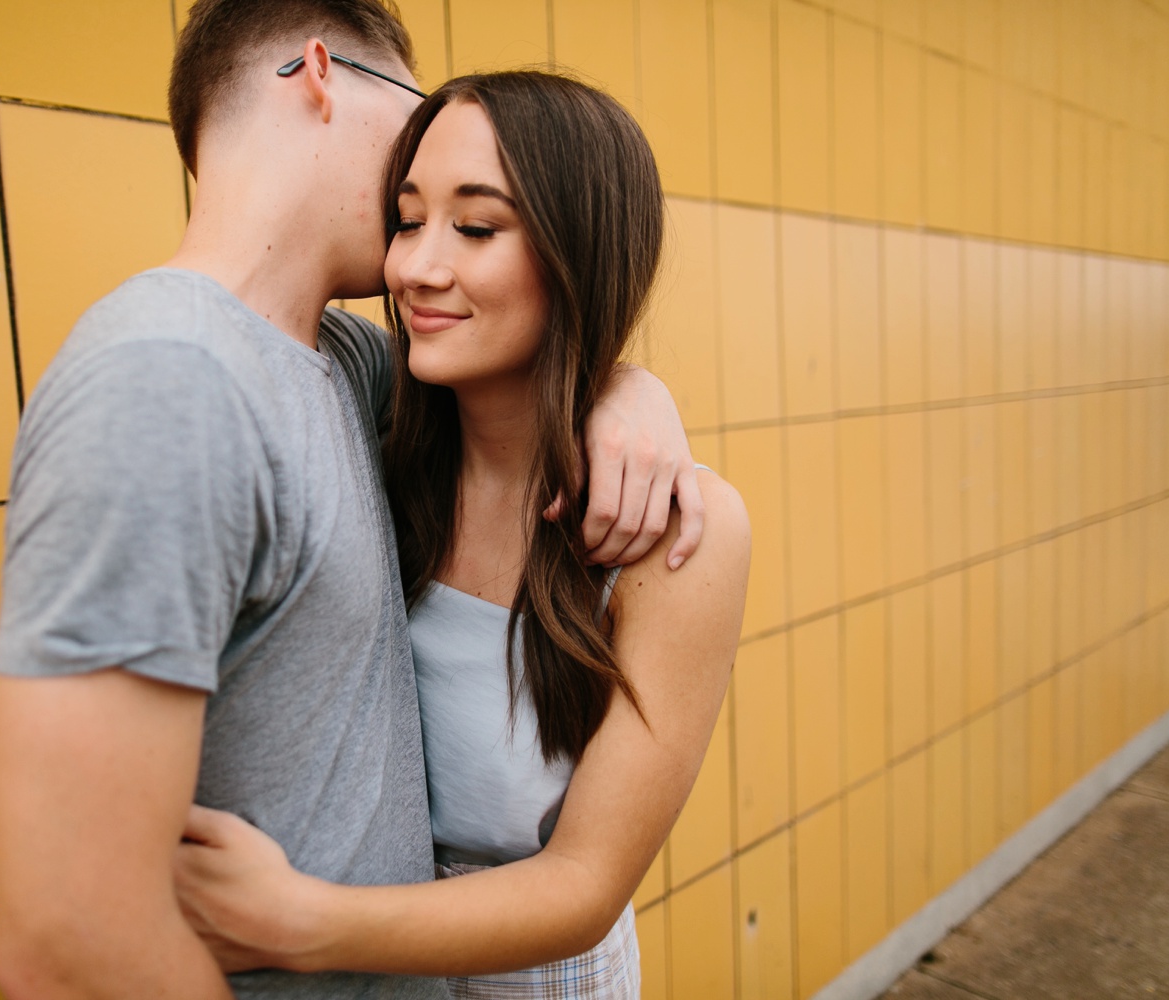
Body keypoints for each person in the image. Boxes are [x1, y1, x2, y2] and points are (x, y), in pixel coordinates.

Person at [0, 3, 708, 999]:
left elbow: (537, 349)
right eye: (412, 202)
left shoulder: (348, 365)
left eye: (471, 218)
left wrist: (629, 392)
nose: (417, 256)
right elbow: (69, 938)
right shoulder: (166, 381)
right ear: (321, 74)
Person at [169, 72, 749, 997]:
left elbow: (583, 886)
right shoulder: (363, 412)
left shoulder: (679, 536)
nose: (416, 269)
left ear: (579, 251)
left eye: (476, 228)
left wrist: (298, 920)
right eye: (405, 220)